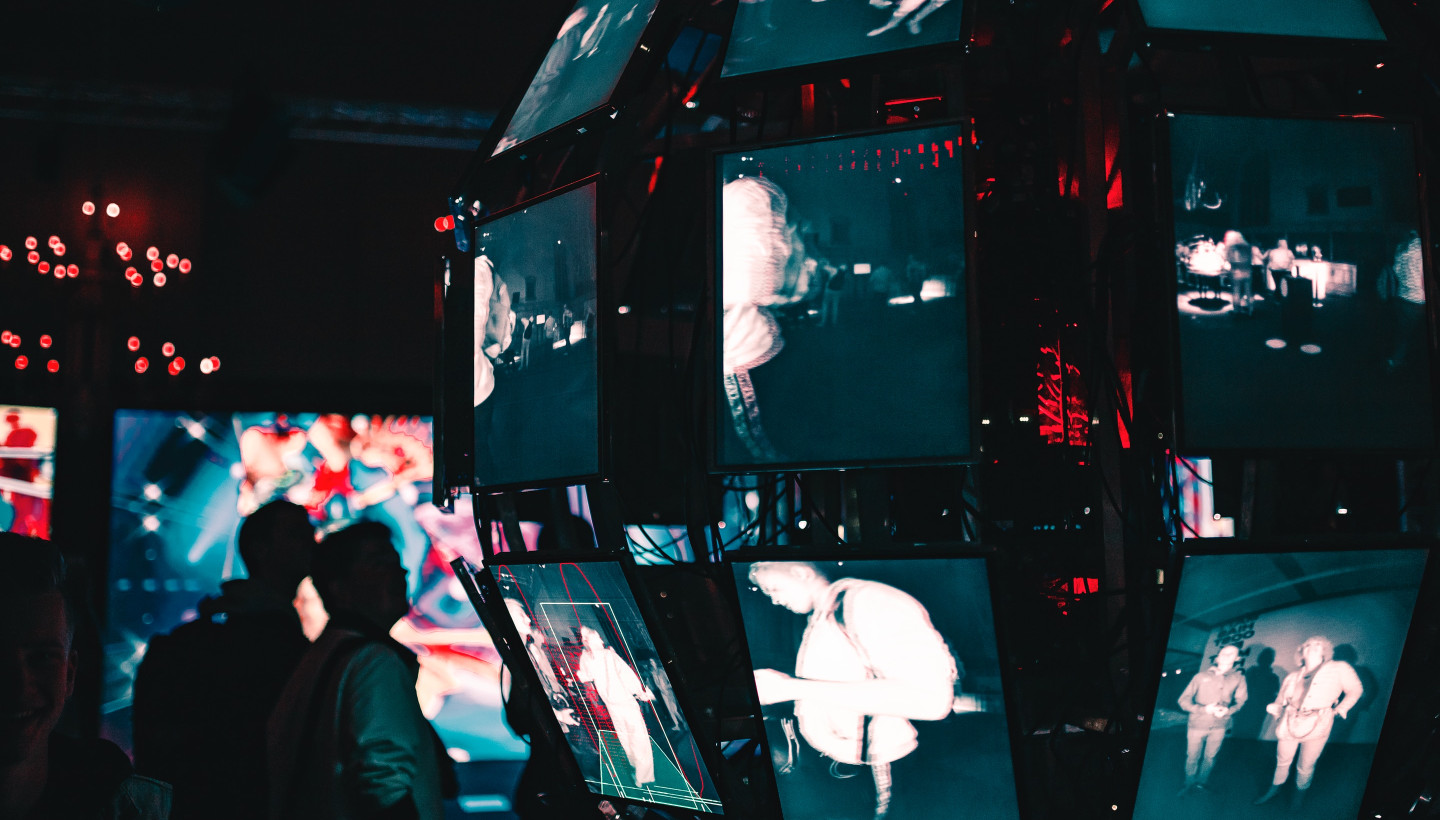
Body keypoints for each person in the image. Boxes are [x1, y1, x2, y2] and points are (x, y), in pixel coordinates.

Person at [132, 501, 314, 820]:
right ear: (260, 549)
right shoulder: (266, 642)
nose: (312, 542)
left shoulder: (209, 633)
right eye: (297, 533)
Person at [266, 522, 455, 820]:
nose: (401, 572)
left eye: (396, 561)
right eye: (379, 562)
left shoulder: (322, 654)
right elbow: (383, 784)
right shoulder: (374, 660)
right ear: (339, 587)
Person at [747, 562, 961, 819]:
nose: (773, 600)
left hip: (879, 766)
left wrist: (791, 688)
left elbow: (931, 700)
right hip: (851, 768)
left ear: (801, 572)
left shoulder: (867, 600)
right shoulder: (825, 614)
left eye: (773, 588)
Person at [1, 532, 172, 818]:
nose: (18, 686)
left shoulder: (117, 797)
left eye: (42, 657)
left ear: (69, 674)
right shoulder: (117, 798)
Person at [1254, 636, 1363, 809]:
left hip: (1318, 725)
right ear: (1301, 652)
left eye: (1318, 644)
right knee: (1282, 760)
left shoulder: (1339, 668)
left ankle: (1298, 798)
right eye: (1308, 645)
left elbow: (1356, 690)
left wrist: (1340, 709)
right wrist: (1277, 712)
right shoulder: (1292, 677)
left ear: (1325, 651)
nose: (1312, 646)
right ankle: (1273, 790)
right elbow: (1280, 701)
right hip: (1289, 724)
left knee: (1306, 765)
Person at [576, 625, 656, 788]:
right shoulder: (602, 655)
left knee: (629, 738)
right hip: (621, 702)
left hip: (615, 704)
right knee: (635, 738)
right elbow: (625, 674)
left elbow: (585, 677)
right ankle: (641, 774)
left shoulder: (591, 658)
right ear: (590, 640)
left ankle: (638, 772)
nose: (600, 640)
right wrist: (640, 692)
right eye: (597, 637)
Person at [1176, 644, 1247, 795]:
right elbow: (1183, 700)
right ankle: (1189, 781)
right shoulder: (1200, 677)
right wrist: (1203, 709)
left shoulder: (1239, 678)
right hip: (1197, 723)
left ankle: (1201, 782)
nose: (1226, 655)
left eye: (1231, 653)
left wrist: (1229, 710)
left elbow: (1241, 701)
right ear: (1218, 657)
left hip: (1220, 726)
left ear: (1237, 658)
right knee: (1192, 756)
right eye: (1223, 652)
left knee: (1210, 757)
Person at [1386, 230, 1425, 372]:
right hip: (1417, 300)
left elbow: (1396, 272)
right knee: (1414, 336)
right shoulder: (1421, 249)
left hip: (1402, 297)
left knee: (1403, 334)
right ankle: (1400, 363)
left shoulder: (1400, 248)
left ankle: (1395, 360)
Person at [1223, 231, 1253, 315]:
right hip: (1247, 270)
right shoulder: (1247, 246)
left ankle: (1236, 310)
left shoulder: (1231, 247)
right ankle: (1250, 310)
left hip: (1236, 271)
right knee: (1248, 291)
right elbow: (1250, 258)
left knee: (1236, 291)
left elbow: (1228, 259)